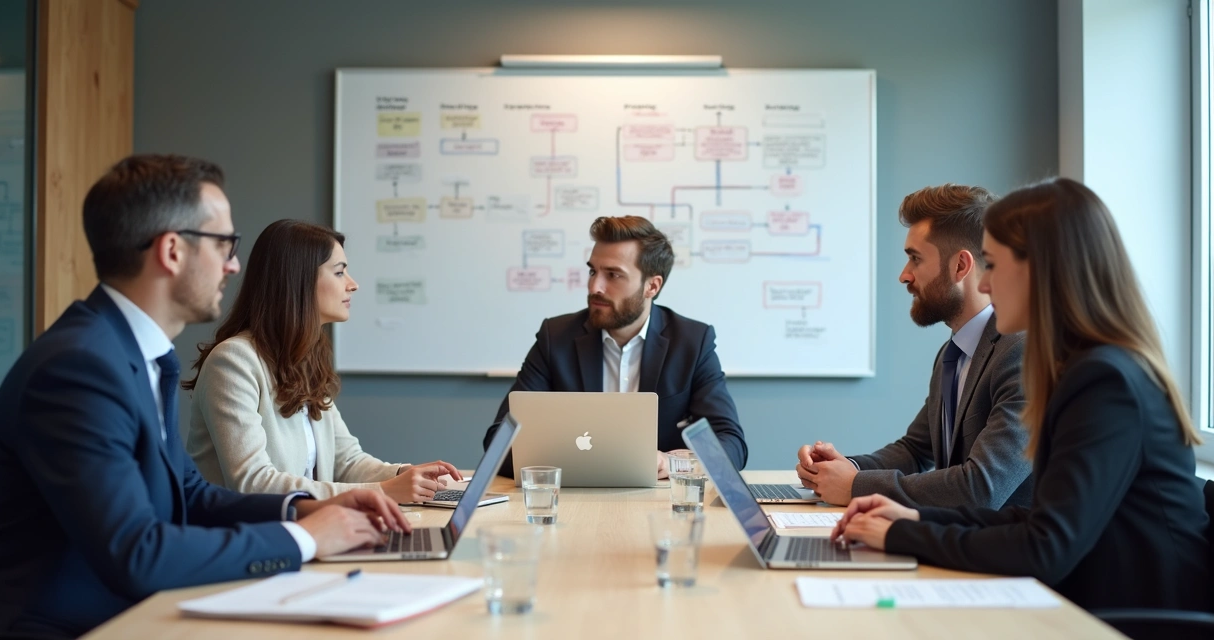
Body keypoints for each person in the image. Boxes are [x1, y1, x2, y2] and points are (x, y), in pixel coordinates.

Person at [0, 155, 408, 637]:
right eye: (224, 245)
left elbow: (187, 495)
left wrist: (302, 508)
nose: (235, 265)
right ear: (172, 251)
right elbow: (138, 552)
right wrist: (302, 537)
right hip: (77, 627)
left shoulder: (136, 355)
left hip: (134, 611)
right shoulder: (79, 368)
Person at [832, 177, 1209, 612]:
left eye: (992, 265)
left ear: (1040, 270)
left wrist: (901, 533)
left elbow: (1045, 548)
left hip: (1141, 622)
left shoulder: (1105, 382)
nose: (985, 286)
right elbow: (1036, 517)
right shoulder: (1083, 368)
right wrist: (915, 517)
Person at [185, 220, 460, 503]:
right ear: (298, 280)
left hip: (299, 529)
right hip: (244, 537)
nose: (353, 284)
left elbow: (346, 461)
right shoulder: (233, 363)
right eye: (340, 272)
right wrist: (383, 491)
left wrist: (404, 474)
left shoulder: (305, 358)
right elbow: (252, 483)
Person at [796, 184, 1032, 509]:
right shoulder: (954, 354)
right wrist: (844, 469)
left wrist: (856, 487)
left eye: (915, 259)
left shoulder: (1021, 352)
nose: (904, 276)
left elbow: (982, 488)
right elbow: (915, 451)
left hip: (999, 555)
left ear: (961, 267)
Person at [484, 215, 747, 478]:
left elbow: (731, 444)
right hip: (571, 501)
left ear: (651, 286)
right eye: (593, 271)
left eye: (613, 275)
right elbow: (498, 441)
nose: (594, 286)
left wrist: (673, 464)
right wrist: (580, 465)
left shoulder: (691, 341)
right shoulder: (556, 338)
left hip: (660, 505)